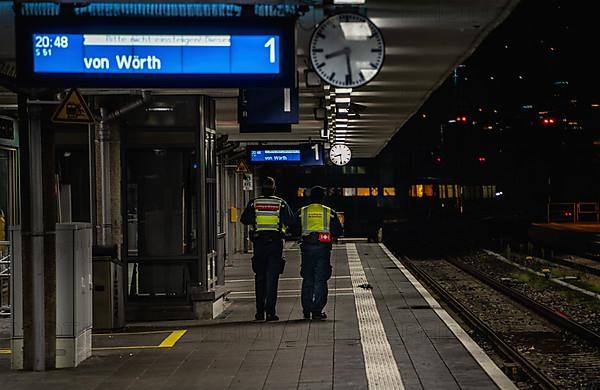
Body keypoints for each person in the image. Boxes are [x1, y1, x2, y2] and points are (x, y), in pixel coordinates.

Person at [241, 176, 295, 321]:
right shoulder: (281, 203)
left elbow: (244, 219)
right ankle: (270, 312)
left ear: (261, 189)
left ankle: (259, 312)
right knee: (272, 278)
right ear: (274, 189)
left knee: (260, 277)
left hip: (259, 244)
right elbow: (291, 220)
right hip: (275, 244)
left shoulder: (254, 203)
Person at [297, 186, 343, 320]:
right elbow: (338, 230)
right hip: (323, 248)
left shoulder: (302, 212)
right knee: (321, 279)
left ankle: (306, 310)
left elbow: (293, 226)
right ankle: (317, 310)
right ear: (323, 198)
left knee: (307, 278)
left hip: (306, 248)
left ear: (310, 197)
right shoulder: (329, 212)